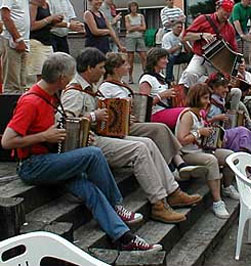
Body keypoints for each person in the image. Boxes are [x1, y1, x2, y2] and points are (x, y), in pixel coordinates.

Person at [1, 52, 162, 252]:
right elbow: (7, 141)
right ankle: (115, 204)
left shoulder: (50, 96)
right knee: (92, 154)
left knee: (90, 189)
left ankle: (123, 237)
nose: (71, 79)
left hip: (49, 159)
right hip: (33, 164)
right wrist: (45, 136)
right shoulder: (31, 102)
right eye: (69, 75)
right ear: (61, 78)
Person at [60, 48, 202, 224]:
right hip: (88, 143)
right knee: (139, 148)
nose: (104, 71)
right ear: (89, 68)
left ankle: (173, 192)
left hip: (98, 136)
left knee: (148, 143)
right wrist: (94, 117)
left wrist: (117, 118)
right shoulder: (74, 92)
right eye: (101, 68)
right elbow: (68, 124)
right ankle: (158, 204)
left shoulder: (90, 88)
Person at [99, 52, 208, 180]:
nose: (129, 66)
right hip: (137, 120)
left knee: (187, 116)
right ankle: (179, 159)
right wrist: (161, 96)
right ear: (115, 68)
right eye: (126, 64)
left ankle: (184, 160)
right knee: (182, 115)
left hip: (136, 120)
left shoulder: (122, 84)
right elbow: (143, 103)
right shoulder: (108, 87)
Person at [175, 83, 239, 219]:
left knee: (231, 156)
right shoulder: (187, 115)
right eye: (205, 98)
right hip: (188, 154)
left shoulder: (200, 114)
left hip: (201, 150)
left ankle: (227, 187)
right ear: (196, 98)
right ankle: (217, 202)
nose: (208, 101)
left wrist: (216, 138)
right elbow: (181, 139)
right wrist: (199, 132)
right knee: (211, 161)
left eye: (208, 98)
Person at [178, 0, 237, 88]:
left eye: (230, 11)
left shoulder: (230, 28)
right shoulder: (203, 19)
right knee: (190, 74)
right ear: (218, 8)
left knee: (219, 85)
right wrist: (201, 35)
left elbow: (234, 49)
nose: (227, 14)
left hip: (218, 63)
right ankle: (188, 98)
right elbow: (184, 37)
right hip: (201, 57)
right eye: (225, 10)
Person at [205, 72, 251, 155]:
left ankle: (248, 157)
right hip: (212, 137)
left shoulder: (220, 100)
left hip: (221, 133)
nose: (227, 90)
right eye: (224, 87)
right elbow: (202, 123)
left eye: (227, 87)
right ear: (214, 88)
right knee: (242, 133)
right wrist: (215, 118)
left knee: (243, 132)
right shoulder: (209, 103)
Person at [139, 48, 186, 129]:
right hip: (155, 113)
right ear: (155, 60)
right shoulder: (147, 79)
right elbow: (143, 105)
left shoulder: (162, 77)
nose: (167, 61)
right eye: (164, 58)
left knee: (197, 110)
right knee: (188, 113)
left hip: (166, 110)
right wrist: (161, 96)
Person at [27, 0, 63, 83]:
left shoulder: (46, 4)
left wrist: (55, 21)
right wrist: (50, 18)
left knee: (50, 73)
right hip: (37, 42)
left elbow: (47, 23)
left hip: (47, 42)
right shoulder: (33, 5)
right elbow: (32, 26)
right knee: (40, 74)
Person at [0, 0, 30, 92]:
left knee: (22, 83)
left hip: (24, 41)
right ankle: (9, 105)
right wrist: (17, 39)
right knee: (12, 84)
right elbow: (5, 17)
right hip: (12, 41)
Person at [124, 1, 146, 84]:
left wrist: (134, 27)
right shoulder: (127, 17)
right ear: (129, 8)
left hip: (140, 37)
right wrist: (138, 27)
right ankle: (130, 77)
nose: (134, 8)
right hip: (130, 38)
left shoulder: (141, 16)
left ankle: (145, 75)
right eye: (132, 6)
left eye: (135, 6)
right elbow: (128, 28)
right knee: (130, 59)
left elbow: (144, 27)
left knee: (144, 57)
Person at [230, 0, 251, 66]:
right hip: (232, 28)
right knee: (235, 45)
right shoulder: (236, 7)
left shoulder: (250, 7)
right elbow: (236, 21)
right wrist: (241, 34)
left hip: (243, 27)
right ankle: (234, 63)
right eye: (249, 0)